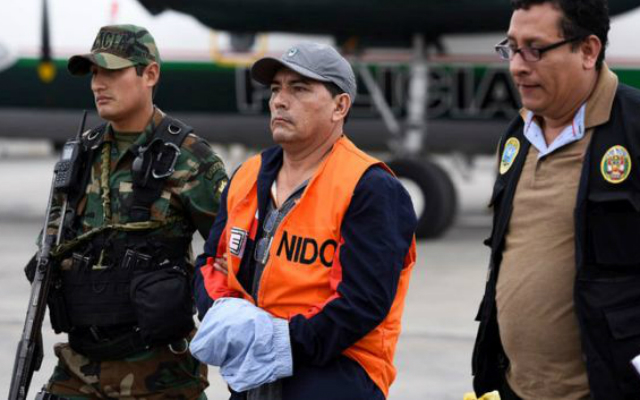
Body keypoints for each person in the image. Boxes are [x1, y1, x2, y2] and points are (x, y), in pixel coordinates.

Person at [190, 42, 417, 400]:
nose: (280, 101)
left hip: (333, 378)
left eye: (299, 89)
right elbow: (211, 265)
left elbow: (360, 303)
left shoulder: (370, 187)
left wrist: (279, 340)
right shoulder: (247, 176)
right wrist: (224, 313)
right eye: (275, 89)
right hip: (252, 378)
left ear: (340, 106)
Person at [31, 24, 228, 398]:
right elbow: (50, 244)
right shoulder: (81, 156)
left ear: (150, 74)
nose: (98, 84)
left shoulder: (190, 159)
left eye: (111, 72)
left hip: (160, 377)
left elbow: (233, 251)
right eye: (94, 73)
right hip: (80, 368)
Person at [472, 1, 640, 399]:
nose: (517, 66)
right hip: (516, 388)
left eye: (535, 49)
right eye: (512, 48)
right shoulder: (517, 136)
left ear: (588, 50)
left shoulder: (633, 128)